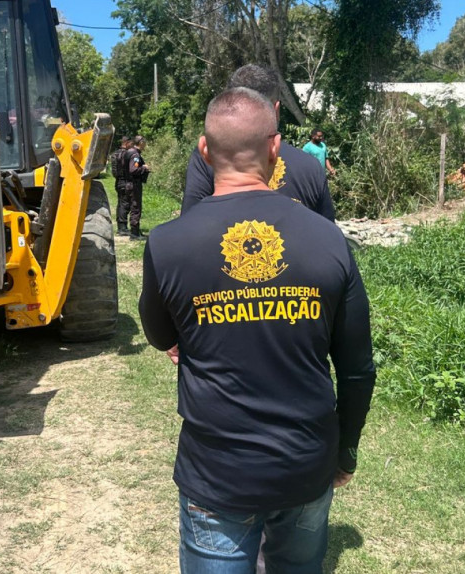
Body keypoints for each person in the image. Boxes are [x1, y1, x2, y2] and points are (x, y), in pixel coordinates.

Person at [140, 87, 376, 573]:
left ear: (204, 152)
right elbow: (357, 369)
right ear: (275, 149)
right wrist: (345, 451)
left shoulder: (167, 244)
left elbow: (161, 335)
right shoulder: (328, 239)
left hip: (217, 471)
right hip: (306, 461)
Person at [182, 65, 335, 221]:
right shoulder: (311, 166)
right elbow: (325, 235)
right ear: (275, 109)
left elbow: (190, 224)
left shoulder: (209, 156)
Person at [127, 135, 151, 238]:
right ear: (141, 143)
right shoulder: (135, 155)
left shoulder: (129, 152)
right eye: (144, 142)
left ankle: (136, 231)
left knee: (134, 207)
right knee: (136, 208)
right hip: (134, 184)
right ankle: (134, 233)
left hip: (130, 184)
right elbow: (133, 170)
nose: (145, 145)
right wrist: (144, 168)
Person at [112, 135, 134, 235]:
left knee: (121, 203)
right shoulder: (127, 154)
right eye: (131, 143)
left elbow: (114, 172)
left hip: (118, 181)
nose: (132, 145)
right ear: (126, 143)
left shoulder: (115, 154)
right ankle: (122, 228)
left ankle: (121, 226)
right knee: (125, 204)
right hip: (126, 181)